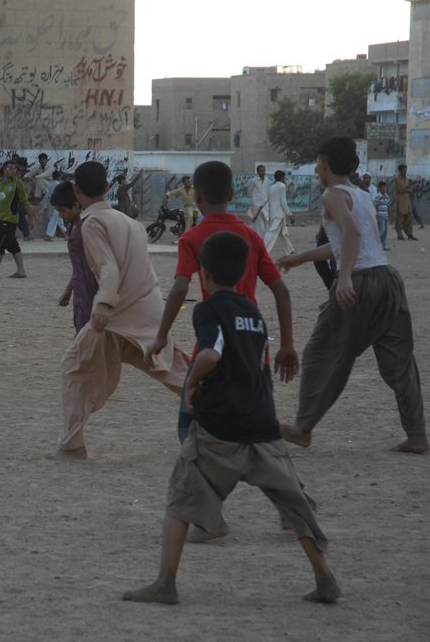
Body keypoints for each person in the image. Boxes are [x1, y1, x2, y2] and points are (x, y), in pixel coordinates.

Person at [123, 231, 340, 607]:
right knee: (293, 503)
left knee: (181, 499)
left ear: (203, 273)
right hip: (262, 424)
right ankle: (325, 577)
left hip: (219, 428)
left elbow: (209, 354)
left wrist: (191, 384)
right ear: (245, 275)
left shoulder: (208, 310)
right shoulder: (253, 312)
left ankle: (165, 583)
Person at [276, 137, 428, 455]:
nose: (317, 169)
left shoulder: (332, 194)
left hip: (360, 282)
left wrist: (343, 278)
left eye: (318, 164)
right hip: (387, 279)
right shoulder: (361, 194)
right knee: (400, 360)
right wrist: (299, 258)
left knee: (322, 352)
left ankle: (304, 428)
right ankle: (417, 436)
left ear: (325, 165)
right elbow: (343, 242)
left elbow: (352, 234)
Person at [58, 161, 190, 458]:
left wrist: (102, 304)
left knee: (74, 368)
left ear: (76, 191)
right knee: (173, 370)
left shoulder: (91, 223)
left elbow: (108, 269)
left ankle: (72, 445)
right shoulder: (132, 223)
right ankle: (231, 406)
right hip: (148, 309)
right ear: (107, 187)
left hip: (116, 315)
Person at [50, 181, 94, 334]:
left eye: (62, 210)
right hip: (81, 293)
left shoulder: (89, 228)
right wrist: (69, 291)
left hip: (94, 293)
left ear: (76, 206)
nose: (61, 215)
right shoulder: (71, 228)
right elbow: (78, 267)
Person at [0, 161, 31, 279]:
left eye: (15, 169)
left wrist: (31, 218)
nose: (13, 170)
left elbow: (24, 202)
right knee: (13, 245)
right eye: (10, 168)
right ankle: (21, 271)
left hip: (10, 219)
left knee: (0, 245)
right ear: (4, 170)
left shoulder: (17, 184)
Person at [262, 170, 295, 256]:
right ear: (282, 177)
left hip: (274, 213)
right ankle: (263, 250)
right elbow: (283, 202)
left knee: (284, 233)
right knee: (271, 233)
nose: (285, 179)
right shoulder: (282, 186)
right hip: (279, 214)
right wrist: (290, 215)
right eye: (284, 177)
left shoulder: (271, 187)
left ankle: (290, 250)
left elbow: (268, 201)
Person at [25, 152, 55, 235]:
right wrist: (26, 176)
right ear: (39, 161)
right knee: (29, 181)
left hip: (49, 186)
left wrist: (34, 177)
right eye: (41, 160)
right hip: (42, 186)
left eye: (44, 160)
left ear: (46, 160)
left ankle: (36, 198)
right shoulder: (38, 168)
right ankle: (28, 196)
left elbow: (44, 175)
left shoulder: (50, 167)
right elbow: (30, 173)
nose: (42, 161)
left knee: (38, 180)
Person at [392, 164, 416, 240]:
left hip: (407, 201)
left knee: (410, 217)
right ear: (400, 170)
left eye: (406, 170)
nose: (405, 171)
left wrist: (409, 187)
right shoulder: (398, 179)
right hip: (401, 202)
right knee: (400, 219)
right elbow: (400, 190)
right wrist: (409, 185)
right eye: (404, 170)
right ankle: (399, 235)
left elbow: (409, 190)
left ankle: (410, 234)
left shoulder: (406, 179)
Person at [246, 165, 270, 237]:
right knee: (258, 223)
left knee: (266, 221)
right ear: (257, 172)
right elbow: (249, 192)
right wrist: (254, 200)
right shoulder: (253, 181)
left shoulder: (268, 180)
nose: (263, 172)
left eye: (264, 170)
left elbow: (269, 192)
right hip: (256, 204)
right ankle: (259, 238)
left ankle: (258, 237)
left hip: (265, 204)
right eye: (261, 171)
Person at [374, 181, 391, 250]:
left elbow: (388, 204)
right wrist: (381, 201)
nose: (384, 189)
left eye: (385, 187)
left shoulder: (387, 196)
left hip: (385, 215)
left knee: (385, 231)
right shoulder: (378, 196)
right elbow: (375, 204)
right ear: (380, 188)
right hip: (380, 215)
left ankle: (383, 246)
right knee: (382, 230)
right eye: (383, 187)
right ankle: (376, 244)